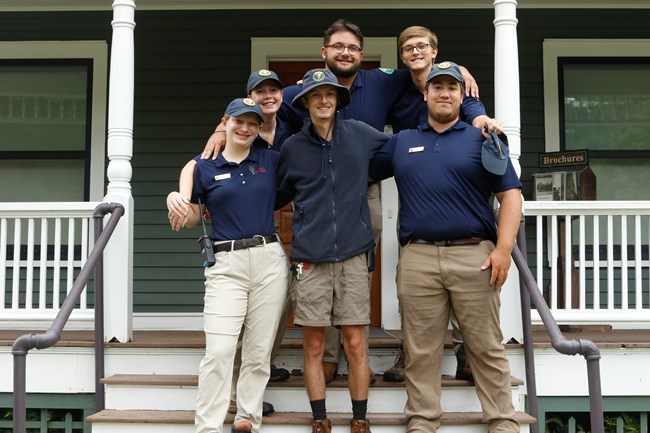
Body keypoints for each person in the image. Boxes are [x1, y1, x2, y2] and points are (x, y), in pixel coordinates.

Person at [369, 61, 522, 433]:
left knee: (485, 346)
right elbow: (357, 168)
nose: (443, 93)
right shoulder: (402, 142)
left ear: (460, 95)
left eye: (451, 88)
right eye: (436, 87)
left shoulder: (485, 140)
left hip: (476, 257)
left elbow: (512, 196)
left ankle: (502, 421)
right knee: (421, 349)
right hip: (418, 257)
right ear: (425, 94)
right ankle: (422, 421)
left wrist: (503, 250)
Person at [167, 70, 292, 419]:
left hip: (268, 259)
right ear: (225, 123)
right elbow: (191, 218)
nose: (246, 128)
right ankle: (208, 423)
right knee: (220, 349)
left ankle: (247, 417)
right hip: (226, 264)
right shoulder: (205, 167)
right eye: (239, 121)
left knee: (258, 351)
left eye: (253, 123)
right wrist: (175, 195)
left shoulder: (270, 159)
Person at [276, 68, 389, 433]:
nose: (324, 100)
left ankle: (359, 419)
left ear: (338, 100)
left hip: (354, 256)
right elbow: (273, 195)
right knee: (313, 346)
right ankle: (320, 418)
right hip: (310, 259)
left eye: (330, 94)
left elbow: (403, 151)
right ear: (305, 102)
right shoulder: (292, 148)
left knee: (356, 344)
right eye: (315, 95)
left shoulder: (360, 135)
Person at [383, 25, 494, 383]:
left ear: (435, 51)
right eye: (409, 48)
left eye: (423, 47)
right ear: (402, 56)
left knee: (470, 287)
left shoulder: (454, 84)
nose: (416, 52)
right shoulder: (396, 86)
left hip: (460, 184)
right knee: (413, 280)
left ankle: (466, 352)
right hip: (418, 192)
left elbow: (475, 110)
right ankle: (408, 351)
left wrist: (481, 121)